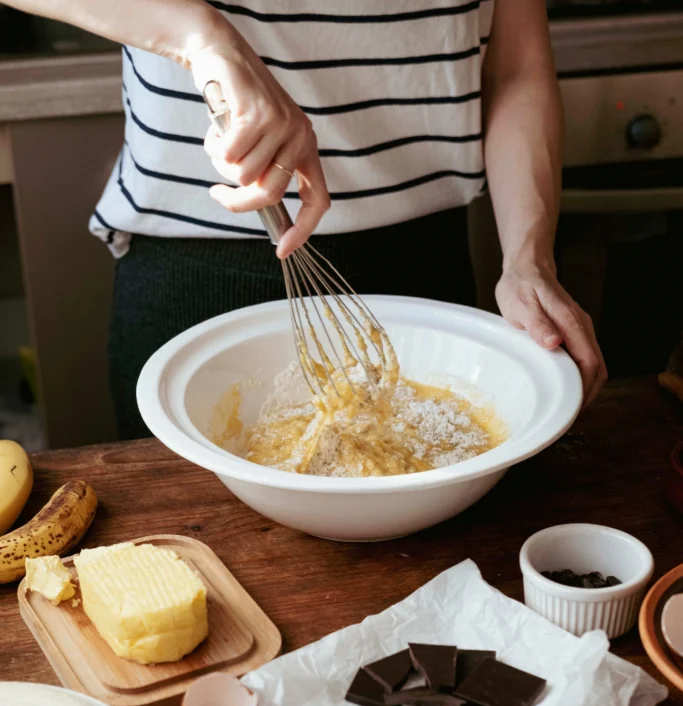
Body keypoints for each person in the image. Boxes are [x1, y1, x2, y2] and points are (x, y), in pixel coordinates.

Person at [10, 0, 607, 439]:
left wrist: (529, 258)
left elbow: (518, 66)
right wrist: (204, 37)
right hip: (193, 271)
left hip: (427, 269)